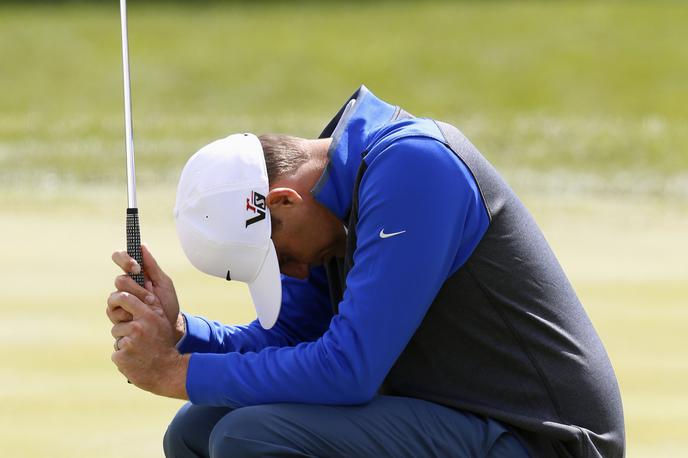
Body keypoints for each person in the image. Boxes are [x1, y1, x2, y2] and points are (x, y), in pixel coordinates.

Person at [107, 85, 625, 457]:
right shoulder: (324, 205)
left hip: (540, 439)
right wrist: (179, 337)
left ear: (281, 200)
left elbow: (347, 371)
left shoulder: (414, 168)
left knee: (250, 436)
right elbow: (291, 340)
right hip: (457, 419)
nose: (294, 271)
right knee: (196, 429)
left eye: (280, 257)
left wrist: (175, 374)